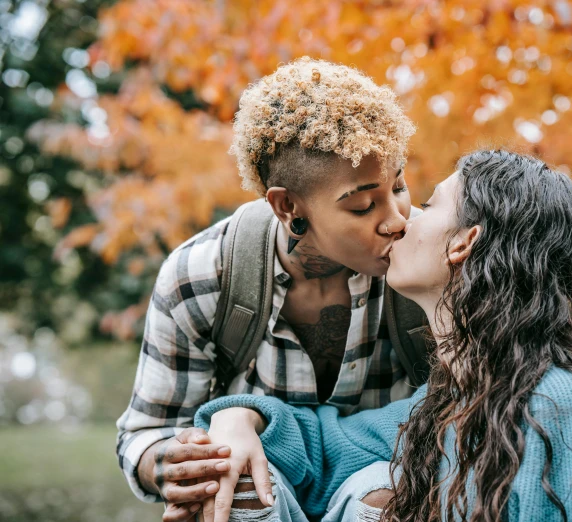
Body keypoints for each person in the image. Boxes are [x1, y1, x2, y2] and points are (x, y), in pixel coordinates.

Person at [195, 150, 572, 522]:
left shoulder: (558, 404)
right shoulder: (446, 404)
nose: (401, 221)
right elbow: (322, 446)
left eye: (429, 206)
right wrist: (238, 417)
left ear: (463, 243)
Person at [115, 57, 426, 522]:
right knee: (231, 485)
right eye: (363, 206)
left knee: (387, 495)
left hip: (388, 476)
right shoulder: (198, 275)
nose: (397, 220)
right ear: (288, 207)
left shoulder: (431, 257)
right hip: (262, 486)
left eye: (398, 186)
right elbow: (146, 432)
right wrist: (187, 466)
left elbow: (480, 407)